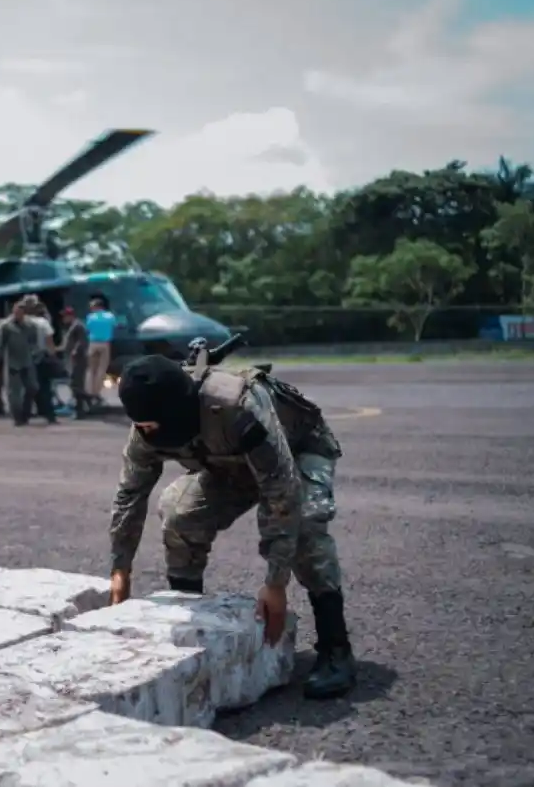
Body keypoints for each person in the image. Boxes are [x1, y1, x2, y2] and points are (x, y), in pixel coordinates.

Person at [106, 353, 356, 701]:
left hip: (297, 450)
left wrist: (275, 582)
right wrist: (121, 568)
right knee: (180, 515)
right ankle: (195, 626)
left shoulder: (235, 408)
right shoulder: (148, 425)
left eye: (149, 426)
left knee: (306, 526)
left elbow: (281, 489)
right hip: (231, 464)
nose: (145, 433)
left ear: (174, 412)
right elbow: (130, 494)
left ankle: (336, 648)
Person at [0, 301, 39, 426]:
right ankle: (17, 417)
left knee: (32, 387)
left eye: (21, 312)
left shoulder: (30, 326)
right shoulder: (6, 326)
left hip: (27, 361)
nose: (18, 314)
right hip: (12, 363)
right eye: (16, 311)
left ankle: (26, 413)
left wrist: (36, 354)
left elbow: (34, 342)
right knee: (14, 392)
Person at [23, 296, 58, 425]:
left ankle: (24, 416)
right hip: (41, 358)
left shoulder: (23, 322)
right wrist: (53, 356)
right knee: (45, 387)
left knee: (28, 387)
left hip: (25, 358)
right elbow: (49, 341)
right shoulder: (43, 322)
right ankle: (49, 415)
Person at [58, 306, 89, 418]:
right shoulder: (72, 326)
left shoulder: (78, 326)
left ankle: (80, 410)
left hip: (78, 360)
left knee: (76, 385)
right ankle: (85, 406)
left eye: (65, 316)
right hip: (73, 360)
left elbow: (82, 341)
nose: (63, 318)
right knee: (75, 384)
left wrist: (75, 351)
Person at [84, 297, 115, 403]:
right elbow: (115, 325)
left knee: (91, 369)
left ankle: (89, 391)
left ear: (97, 306)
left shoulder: (90, 317)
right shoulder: (110, 316)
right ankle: (96, 393)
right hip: (105, 344)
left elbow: (87, 329)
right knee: (101, 369)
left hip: (93, 343)